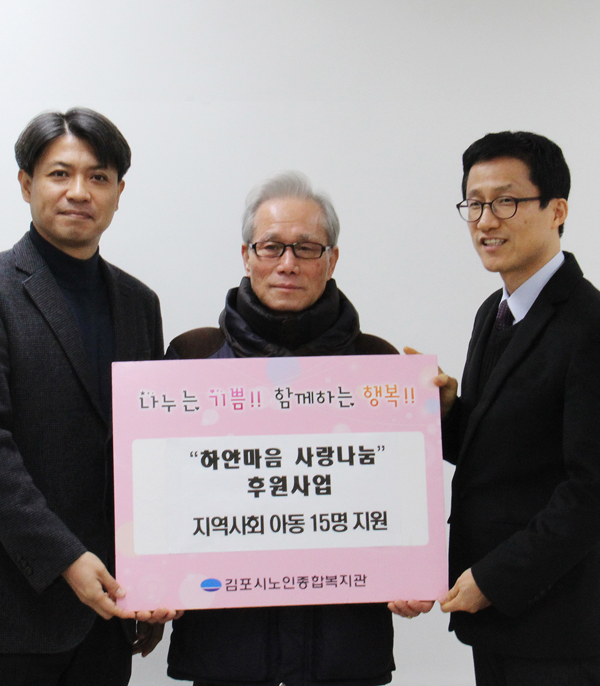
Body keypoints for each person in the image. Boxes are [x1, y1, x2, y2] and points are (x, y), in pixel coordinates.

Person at [0, 107, 175, 686]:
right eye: (60, 174)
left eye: (98, 177)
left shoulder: (139, 304)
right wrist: (65, 557)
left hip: (110, 609)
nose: (79, 192)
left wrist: (156, 573)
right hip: (7, 607)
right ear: (26, 183)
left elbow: (149, 450)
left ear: (118, 192)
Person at [164, 171, 429, 686]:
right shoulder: (191, 358)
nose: (288, 263)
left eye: (307, 248)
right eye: (271, 247)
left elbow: (400, 506)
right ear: (246, 255)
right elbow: (161, 499)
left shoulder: (379, 366)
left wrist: (411, 572)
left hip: (344, 656)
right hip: (224, 652)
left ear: (332, 259)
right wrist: (151, 581)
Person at [431, 131, 600, 685]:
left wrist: (494, 579)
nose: (485, 221)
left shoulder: (595, 329)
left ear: (557, 210)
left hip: (560, 628)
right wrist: (450, 413)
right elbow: (505, 450)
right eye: (474, 204)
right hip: (502, 623)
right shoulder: (494, 311)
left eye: (506, 201)